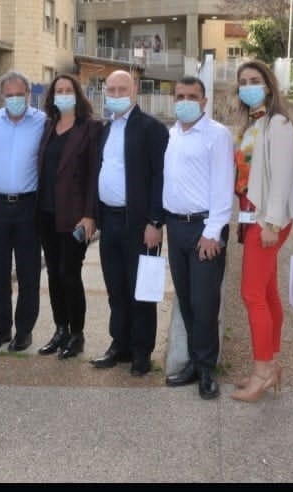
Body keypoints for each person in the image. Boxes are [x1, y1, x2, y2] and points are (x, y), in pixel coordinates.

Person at [92, 69, 169, 376]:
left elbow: (160, 177)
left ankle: (141, 352)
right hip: (109, 221)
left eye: (122, 89)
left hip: (140, 224)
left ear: (134, 90)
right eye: (111, 90)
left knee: (142, 291)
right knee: (116, 288)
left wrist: (155, 221)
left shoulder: (152, 129)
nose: (116, 95)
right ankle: (119, 344)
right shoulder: (106, 129)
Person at [161, 76, 234, 400]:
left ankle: (206, 370)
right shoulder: (171, 134)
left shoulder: (217, 135)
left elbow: (223, 186)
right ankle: (193, 361)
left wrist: (212, 233)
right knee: (187, 299)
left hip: (205, 229)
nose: (185, 102)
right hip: (175, 227)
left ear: (204, 102)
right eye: (180, 96)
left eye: (192, 96)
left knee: (205, 303)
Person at [231, 60, 293, 402]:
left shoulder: (278, 124)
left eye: (254, 80)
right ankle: (270, 365)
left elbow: (283, 177)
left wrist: (271, 223)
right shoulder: (251, 125)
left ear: (269, 86)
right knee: (267, 292)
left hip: (267, 219)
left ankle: (262, 372)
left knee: (252, 294)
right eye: (243, 82)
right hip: (252, 215)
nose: (248, 86)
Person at [35, 74, 100, 359]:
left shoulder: (91, 128)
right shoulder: (48, 126)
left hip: (75, 216)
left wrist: (89, 215)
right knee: (53, 273)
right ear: (52, 96)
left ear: (77, 94)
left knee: (69, 274)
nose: (63, 94)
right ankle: (60, 329)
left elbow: (94, 174)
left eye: (67, 90)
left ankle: (77, 334)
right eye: (58, 90)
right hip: (47, 212)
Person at [0, 71, 47, 352]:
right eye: (9, 95)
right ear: (2, 96)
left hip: (28, 206)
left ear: (29, 94)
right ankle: (1, 328)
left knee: (28, 272)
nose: (15, 100)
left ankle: (24, 330)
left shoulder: (42, 122)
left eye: (20, 94)